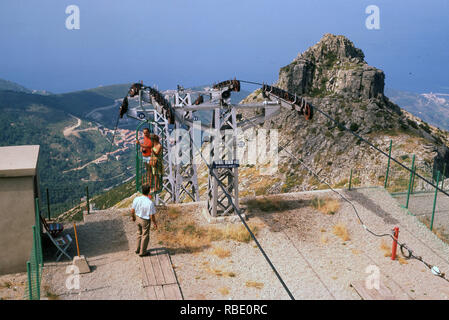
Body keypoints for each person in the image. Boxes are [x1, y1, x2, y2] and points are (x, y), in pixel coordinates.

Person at [130, 184, 158, 257]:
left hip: (137, 218)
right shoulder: (150, 203)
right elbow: (152, 215)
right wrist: (154, 223)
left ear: (142, 191)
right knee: (145, 235)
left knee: (139, 233)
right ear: (149, 191)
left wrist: (133, 217)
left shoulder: (136, 199)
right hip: (145, 220)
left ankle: (137, 249)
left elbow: (132, 210)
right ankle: (143, 252)